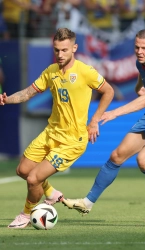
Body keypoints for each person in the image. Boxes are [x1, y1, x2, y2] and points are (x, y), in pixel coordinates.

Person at [62, 29, 145, 218]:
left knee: (143, 160)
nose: (140, 51)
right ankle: (88, 202)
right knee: (117, 156)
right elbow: (141, 88)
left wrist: (115, 112)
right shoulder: (141, 63)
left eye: (144, 48)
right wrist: (142, 89)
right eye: (137, 47)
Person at [0, 28, 115, 229]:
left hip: (72, 141)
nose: (60, 55)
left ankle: (26, 215)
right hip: (51, 133)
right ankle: (51, 193)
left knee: (34, 178)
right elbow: (28, 93)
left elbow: (109, 91)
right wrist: (6, 99)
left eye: (64, 50)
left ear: (74, 48)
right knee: (23, 170)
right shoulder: (51, 71)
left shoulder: (85, 71)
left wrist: (95, 120)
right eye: (56, 50)